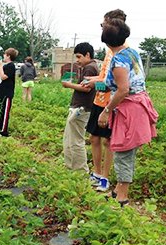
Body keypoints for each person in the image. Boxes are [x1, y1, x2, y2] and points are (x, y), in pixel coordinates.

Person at [98, 19, 158, 207]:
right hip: (139, 104)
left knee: (123, 151)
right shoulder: (131, 52)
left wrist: (106, 111)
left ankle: (122, 197)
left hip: (129, 109)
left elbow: (123, 89)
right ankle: (118, 190)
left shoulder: (118, 61)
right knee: (127, 152)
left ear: (106, 42)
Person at [82, 9, 127, 192]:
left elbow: (119, 83)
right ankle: (97, 173)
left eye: (103, 25)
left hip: (112, 103)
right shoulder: (109, 51)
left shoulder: (121, 53)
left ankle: (105, 178)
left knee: (108, 141)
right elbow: (104, 76)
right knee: (94, 137)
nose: (101, 28)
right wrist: (92, 81)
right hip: (100, 100)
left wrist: (96, 82)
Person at [61, 42, 98, 172]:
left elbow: (86, 89)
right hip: (80, 107)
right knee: (69, 139)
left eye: (79, 57)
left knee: (76, 141)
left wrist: (68, 85)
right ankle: (71, 167)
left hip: (82, 108)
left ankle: (80, 171)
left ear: (87, 55)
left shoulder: (90, 68)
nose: (77, 60)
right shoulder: (90, 67)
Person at [0, 47, 18, 137]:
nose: (3, 56)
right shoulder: (5, 66)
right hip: (0, 92)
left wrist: (0, 65)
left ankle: (4, 131)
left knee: (5, 111)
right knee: (0, 110)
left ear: (8, 56)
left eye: (4, 54)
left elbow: (4, 77)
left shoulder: (11, 66)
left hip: (7, 93)